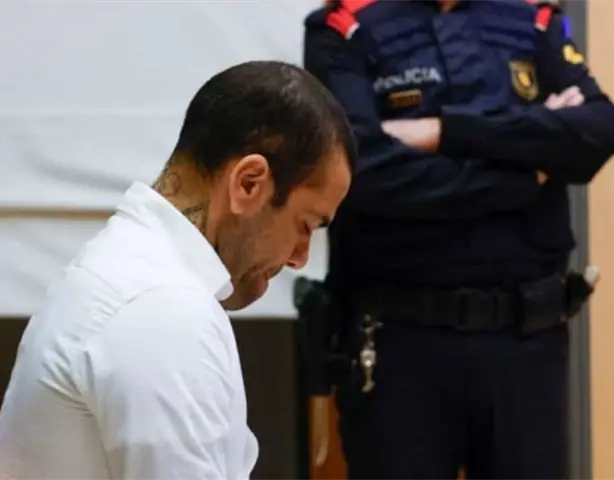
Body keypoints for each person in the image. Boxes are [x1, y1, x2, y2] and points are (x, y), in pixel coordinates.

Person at [302, 1, 614, 479]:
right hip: (399, 344)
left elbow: (598, 130)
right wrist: (525, 173)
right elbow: (360, 169)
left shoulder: (533, 21)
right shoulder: (345, 27)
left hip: (525, 343)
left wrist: (443, 131)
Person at [0, 60, 354, 480]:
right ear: (249, 184)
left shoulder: (128, 271)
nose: (300, 257)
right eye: (306, 225)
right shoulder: (161, 308)